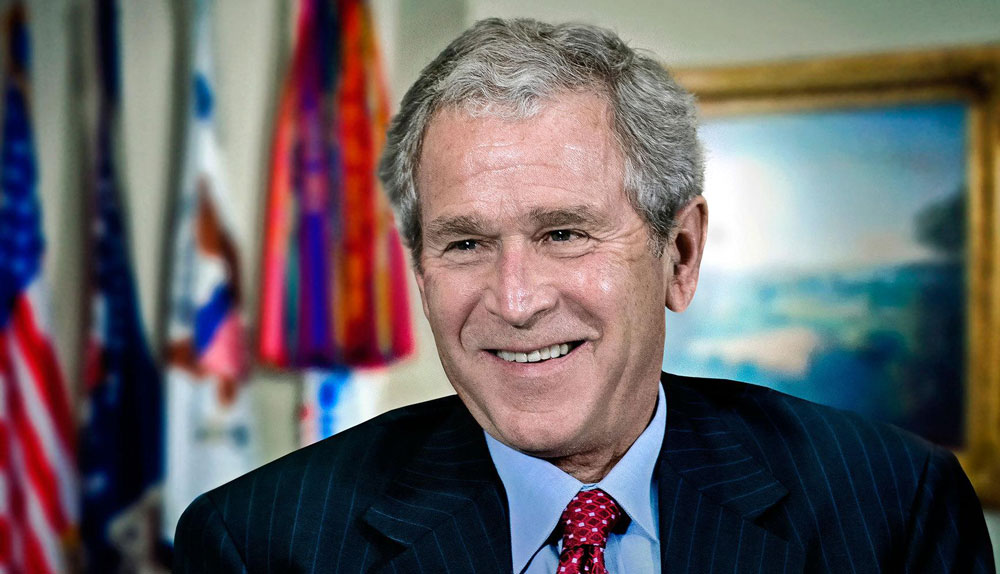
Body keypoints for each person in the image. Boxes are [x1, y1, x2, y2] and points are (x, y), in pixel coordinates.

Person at [173, 18, 994, 573]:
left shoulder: (890, 507)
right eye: (465, 243)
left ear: (680, 254)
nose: (515, 300)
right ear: (420, 272)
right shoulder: (263, 543)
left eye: (564, 233)